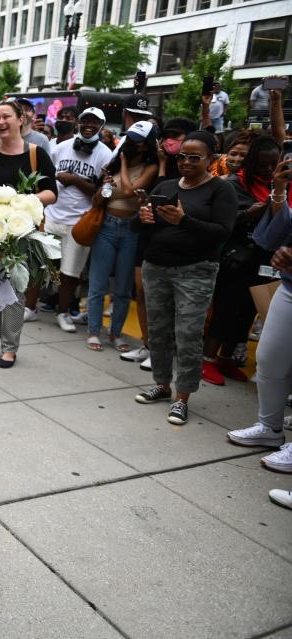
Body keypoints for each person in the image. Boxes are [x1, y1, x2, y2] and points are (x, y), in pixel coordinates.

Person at [133, 131, 237, 426]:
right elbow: (139, 229)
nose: (187, 162)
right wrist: (142, 219)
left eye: (195, 157)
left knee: (188, 333)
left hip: (196, 269)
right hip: (157, 267)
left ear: (212, 159)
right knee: (159, 330)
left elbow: (222, 232)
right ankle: (162, 385)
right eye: (182, 157)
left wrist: (184, 220)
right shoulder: (165, 186)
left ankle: (182, 397)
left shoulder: (221, 190)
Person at [0, 99, 57, 366]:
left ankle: (10, 346)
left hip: (21, 234)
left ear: (21, 119)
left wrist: (24, 203)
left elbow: (51, 192)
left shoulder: (36, 153)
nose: (0, 122)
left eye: (6, 116)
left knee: (15, 291)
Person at [226, 155, 292, 475]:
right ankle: (270, 428)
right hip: (290, 288)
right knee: (268, 358)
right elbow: (269, 238)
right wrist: (279, 188)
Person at [202, 136, 283, 385]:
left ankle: (225, 358)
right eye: (262, 165)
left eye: (273, 164)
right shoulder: (234, 184)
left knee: (247, 312)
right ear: (251, 163)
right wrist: (249, 213)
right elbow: (221, 221)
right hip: (237, 257)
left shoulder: (279, 186)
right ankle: (207, 360)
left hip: (265, 259)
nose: (268, 170)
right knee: (226, 309)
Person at [87, 121, 159, 352]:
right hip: (106, 225)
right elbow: (98, 199)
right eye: (130, 139)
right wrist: (104, 188)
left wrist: (125, 164)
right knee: (98, 284)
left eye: (137, 141)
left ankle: (115, 334)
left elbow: (129, 190)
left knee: (123, 288)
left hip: (131, 229)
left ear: (145, 145)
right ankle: (94, 331)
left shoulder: (150, 167)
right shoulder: (113, 165)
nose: (131, 145)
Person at [44, 107, 112, 334]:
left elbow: (105, 191)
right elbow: (47, 177)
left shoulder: (105, 154)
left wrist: (74, 179)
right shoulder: (61, 147)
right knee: (42, 264)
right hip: (53, 214)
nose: (89, 125)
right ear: (78, 124)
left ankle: (62, 313)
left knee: (70, 273)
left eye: (94, 122)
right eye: (85, 121)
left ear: (101, 126)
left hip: (79, 221)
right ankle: (31, 307)